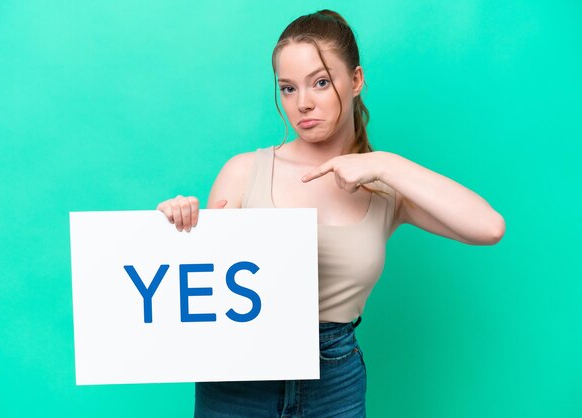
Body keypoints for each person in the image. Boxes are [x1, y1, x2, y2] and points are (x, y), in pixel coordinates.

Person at [157, 9, 505, 418]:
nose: (302, 104)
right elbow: (200, 289)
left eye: (320, 83)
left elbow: (489, 227)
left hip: (334, 379)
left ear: (356, 80)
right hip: (238, 378)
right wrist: (177, 226)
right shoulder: (243, 172)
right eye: (287, 89)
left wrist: (386, 164)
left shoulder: (384, 186)